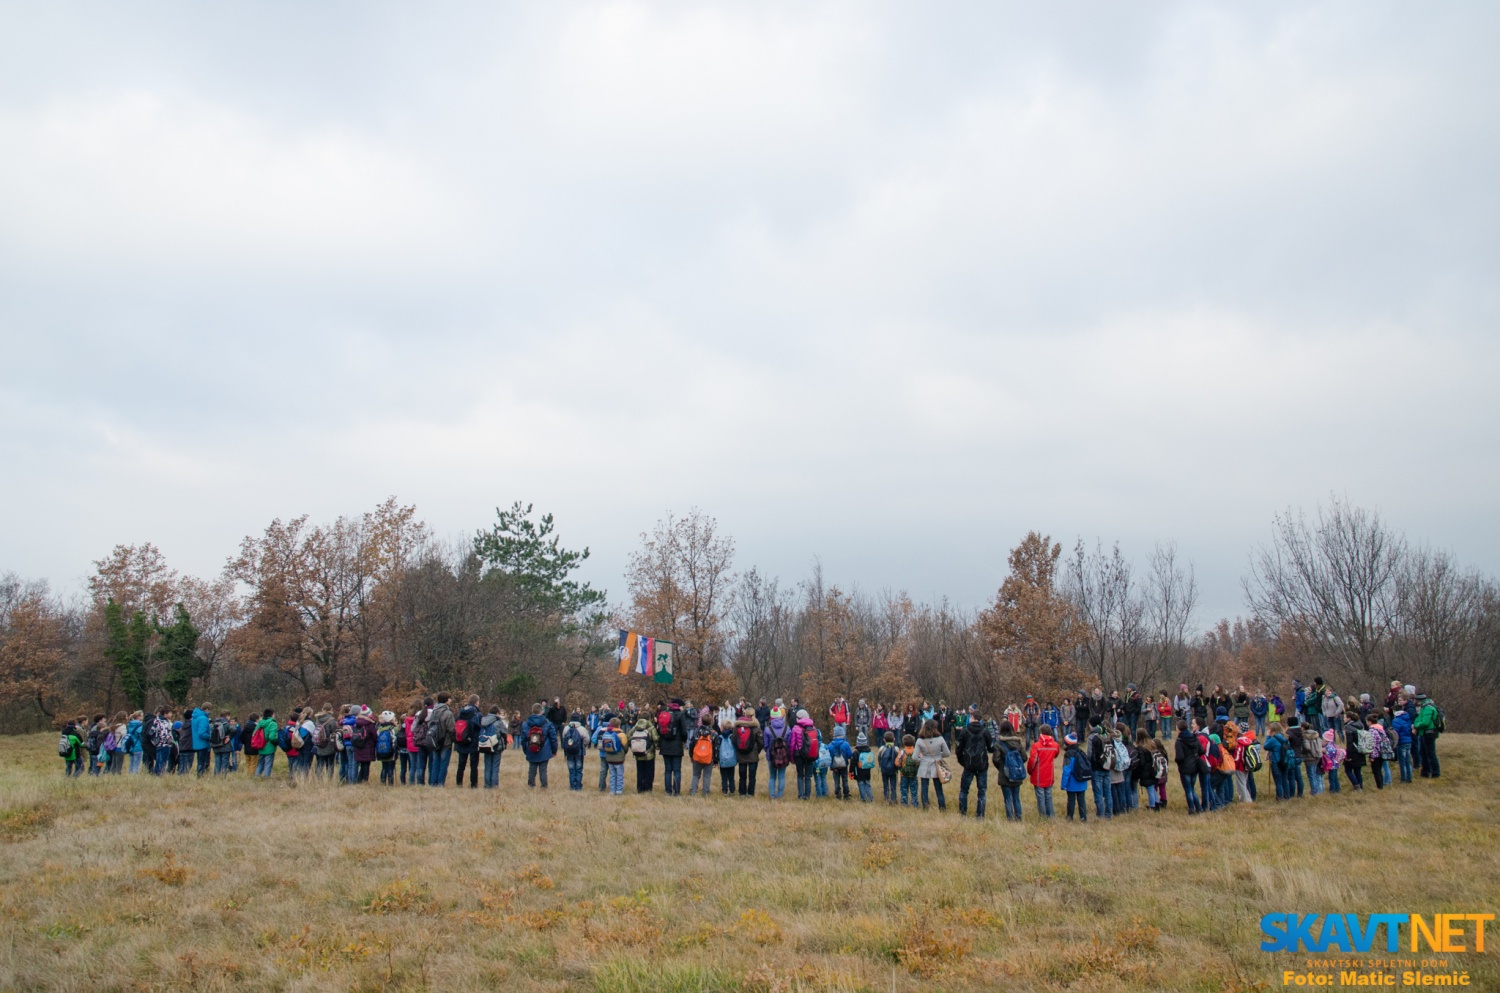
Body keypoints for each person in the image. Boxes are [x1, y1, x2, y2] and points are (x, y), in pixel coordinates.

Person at [955, 709, 992, 818]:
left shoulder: (965, 731)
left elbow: (958, 749)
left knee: (963, 791)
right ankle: (980, 815)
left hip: (969, 765)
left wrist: (963, 762)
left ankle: (963, 813)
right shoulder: (985, 731)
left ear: (972, 718)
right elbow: (991, 748)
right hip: (982, 765)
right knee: (982, 792)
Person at [913, 719, 950, 811]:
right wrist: (938, 756)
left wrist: (921, 760)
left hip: (924, 765)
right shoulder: (940, 739)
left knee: (924, 788)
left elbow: (914, 757)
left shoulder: (920, 741)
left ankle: (925, 808)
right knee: (939, 789)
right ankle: (942, 808)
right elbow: (947, 753)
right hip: (937, 766)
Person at [519, 703, 559, 789]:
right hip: (544, 750)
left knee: (532, 769)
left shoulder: (525, 724)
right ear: (541, 711)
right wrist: (554, 750)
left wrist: (526, 750)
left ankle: (531, 785)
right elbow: (553, 738)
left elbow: (523, 739)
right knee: (543, 770)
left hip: (531, 748)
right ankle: (544, 786)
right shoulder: (547, 723)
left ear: (532, 711)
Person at [993, 718, 1026, 821]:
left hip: (1005, 774)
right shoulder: (1018, 742)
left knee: (1008, 798)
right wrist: (1016, 766)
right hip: (1017, 773)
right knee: (1016, 798)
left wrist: (1003, 768)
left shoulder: (999, 743)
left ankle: (1010, 819)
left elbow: (996, 759)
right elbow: (1024, 757)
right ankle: (1019, 818)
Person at [657, 698, 690, 796]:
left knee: (667, 770)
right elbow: (684, 731)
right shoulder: (680, 715)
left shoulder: (663, 713)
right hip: (676, 746)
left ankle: (668, 791)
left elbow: (659, 730)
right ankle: (676, 791)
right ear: (679, 706)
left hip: (665, 745)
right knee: (676, 770)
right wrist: (684, 740)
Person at [1027, 724, 1058, 817]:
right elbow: (1056, 755)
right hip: (1049, 774)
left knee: (1041, 797)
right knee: (1048, 796)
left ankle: (1043, 816)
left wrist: (1029, 771)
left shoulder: (1036, 745)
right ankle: (1051, 815)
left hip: (1038, 775)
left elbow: (1032, 761)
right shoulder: (1055, 745)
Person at [425, 694, 456, 787]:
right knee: (443, 764)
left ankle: (433, 783)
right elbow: (451, 728)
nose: (450, 700)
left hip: (434, 740)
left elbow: (429, 724)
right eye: (449, 699)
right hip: (445, 742)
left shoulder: (434, 711)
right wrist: (454, 739)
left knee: (435, 763)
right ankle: (440, 783)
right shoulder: (448, 713)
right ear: (446, 700)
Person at [1174, 719, 1205, 812]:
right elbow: (1201, 751)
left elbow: (1180, 757)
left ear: (1179, 729)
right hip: (1195, 766)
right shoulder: (1194, 737)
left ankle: (1191, 808)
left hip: (1185, 768)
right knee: (1192, 788)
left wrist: (1177, 762)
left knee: (1188, 790)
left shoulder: (1179, 741)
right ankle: (1199, 808)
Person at [453, 695, 483, 789]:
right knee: (473, 765)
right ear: (476, 702)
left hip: (461, 741)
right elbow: (479, 727)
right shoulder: (477, 714)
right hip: (473, 742)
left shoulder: (461, 713)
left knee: (461, 765)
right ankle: (473, 785)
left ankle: (459, 783)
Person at [763, 709, 792, 799]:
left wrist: (768, 752)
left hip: (771, 757)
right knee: (782, 776)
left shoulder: (768, 729)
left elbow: (766, 745)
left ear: (771, 717)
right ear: (780, 716)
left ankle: (772, 795)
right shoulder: (787, 729)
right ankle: (779, 795)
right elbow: (790, 743)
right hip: (784, 757)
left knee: (772, 776)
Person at [1087, 721, 1113, 819]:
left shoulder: (1095, 739)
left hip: (1097, 768)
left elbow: (1090, 755)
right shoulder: (1109, 739)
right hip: (1107, 767)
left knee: (1098, 793)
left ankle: (1100, 814)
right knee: (1108, 793)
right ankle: (1109, 814)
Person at [733, 709, 762, 796]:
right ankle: (750, 793)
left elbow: (733, 739)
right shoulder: (756, 727)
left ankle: (742, 792)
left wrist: (738, 749)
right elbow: (761, 742)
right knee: (752, 776)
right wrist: (757, 750)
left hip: (741, 754)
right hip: (753, 755)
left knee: (742, 776)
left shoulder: (737, 727)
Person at [1060, 733, 1089, 820]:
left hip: (1072, 781)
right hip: (1082, 781)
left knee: (1071, 800)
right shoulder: (1081, 752)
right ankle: (1083, 817)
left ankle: (1070, 817)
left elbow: (1067, 770)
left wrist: (1063, 784)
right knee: (1081, 800)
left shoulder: (1068, 754)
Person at [687, 716, 716, 797]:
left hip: (697, 756)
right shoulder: (713, 733)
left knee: (695, 775)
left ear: (702, 722)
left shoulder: (696, 731)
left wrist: (691, 755)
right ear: (711, 722)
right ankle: (706, 792)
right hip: (709, 757)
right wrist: (716, 760)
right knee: (707, 776)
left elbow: (691, 744)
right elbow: (716, 747)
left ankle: (693, 791)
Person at [628, 714, 658, 792]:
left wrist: (633, 746)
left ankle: (640, 788)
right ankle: (648, 788)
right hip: (649, 754)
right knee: (649, 772)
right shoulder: (651, 728)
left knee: (640, 771)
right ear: (649, 718)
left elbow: (628, 737)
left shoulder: (635, 727)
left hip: (638, 754)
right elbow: (656, 738)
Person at [1413, 695, 1441, 778]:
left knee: (1430, 753)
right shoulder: (1424, 707)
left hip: (1429, 733)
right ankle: (1425, 771)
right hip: (1424, 733)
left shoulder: (1428, 708)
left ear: (1419, 700)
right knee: (1423, 753)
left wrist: (1415, 725)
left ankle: (1435, 772)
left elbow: (1425, 722)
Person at [479, 707, 506, 789]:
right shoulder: (499, 721)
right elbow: (504, 732)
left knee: (487, 766)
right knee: (495, 766)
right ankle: (494, 785)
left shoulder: (484, 720)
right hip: (496, 745)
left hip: (486, 745)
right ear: (497, 713)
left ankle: (487, 785)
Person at [599, 717, 627, 794]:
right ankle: (619, 790)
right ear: (619, 725)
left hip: (609, 758)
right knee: (620, 775)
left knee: (612, 775)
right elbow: (625, 747)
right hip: (619, 759)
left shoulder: (606, 733)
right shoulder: (621, 734)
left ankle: (612, 790)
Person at [559, 715, 588, 790]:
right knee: (578, 769)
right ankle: (578, 786)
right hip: (579, 752)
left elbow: (563, 738)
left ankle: (572, 786)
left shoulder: (566, 728)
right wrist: (583, 745)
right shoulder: (582, 729)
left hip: (569, 752)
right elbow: (587, 740)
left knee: (571, 769)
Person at [827, 725, 853, 799]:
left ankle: (838, 794)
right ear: (842, 734)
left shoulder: (830, 745)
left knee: (836, 781)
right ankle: (846, 794)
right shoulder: (845, 744)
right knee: (845, 780)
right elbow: (849, 755)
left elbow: (829, 757)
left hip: (835, 766)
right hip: (844, 765)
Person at [1391, 703, 1414, 783]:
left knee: (1402, 762)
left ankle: (1403, 779)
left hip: (1401, 742)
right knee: (1408, 761)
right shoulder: (1407, 718)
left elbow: (1395, 733)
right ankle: (1409, 778)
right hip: (1409, 741)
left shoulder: (1396, 720)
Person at [852, 731, 875, 802]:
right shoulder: (869, 751)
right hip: (867, 771)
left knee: (861, 784)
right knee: (868, 784)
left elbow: (853, 763)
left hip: (859, 771)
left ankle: (863, 798)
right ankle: (871, 798)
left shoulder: (856, 752)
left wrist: (851, 772)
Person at [899, 733, 919, 806]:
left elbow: (897, 763)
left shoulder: (902, 752)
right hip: (914, 774)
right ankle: (915, 803)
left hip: (903, 774)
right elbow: (919, 762)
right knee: (914, 790)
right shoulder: (916, 752)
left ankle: (904, 803)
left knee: (904, 790)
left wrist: (901, 768)